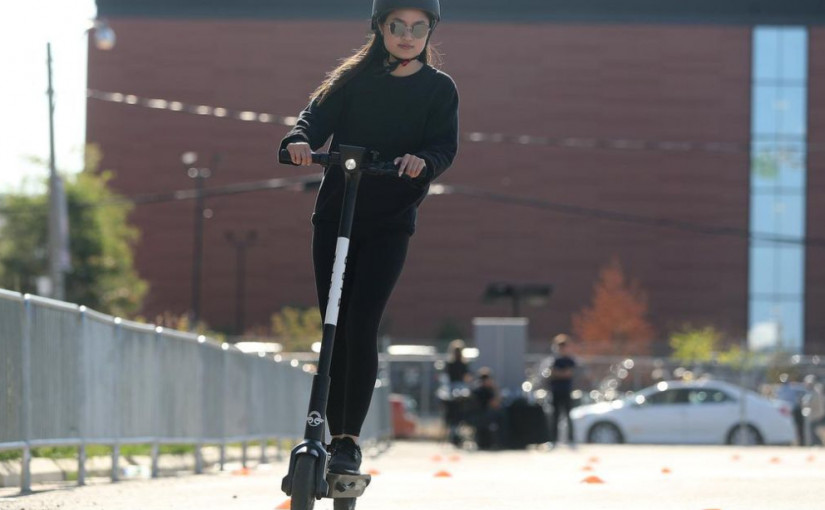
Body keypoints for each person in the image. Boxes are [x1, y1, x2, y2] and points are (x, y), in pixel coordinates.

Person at [279, 0, 458, 475]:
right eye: (397, 25)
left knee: (360, 323)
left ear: (430, 31)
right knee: (333, 326)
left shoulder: (439, 89)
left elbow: (443, 146)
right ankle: (320, 431)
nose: (407, 35)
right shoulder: (351, 80)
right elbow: (312, 120)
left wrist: (423, 161)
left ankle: (347, 442)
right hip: (336, 216)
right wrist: (299, 141)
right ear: (380, 27)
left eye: (418, 27)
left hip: (389, 222)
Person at [547, 334, 576, 448]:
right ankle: (553, 439)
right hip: (555, 391)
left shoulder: (569, 360)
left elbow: (568, 374)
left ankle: (570, 439)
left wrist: (558, 373)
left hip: (566, 390)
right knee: (555, 415)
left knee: (568, 415)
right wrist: (560, 373)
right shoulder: (554, 360)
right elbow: (551, 373)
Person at [442, 339, 472, 445]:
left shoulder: (463, 364)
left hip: (460, 389)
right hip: (452, 389)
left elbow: (467, 378)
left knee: (461, 407)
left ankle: (458, 431)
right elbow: (446, 379)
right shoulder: (450, 364)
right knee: (453, 408)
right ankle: (453, 431)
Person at [472, 367, 504, 450]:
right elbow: (495, 404)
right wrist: (495, 389)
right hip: (484, 415)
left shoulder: (476, 389)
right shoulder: (484, 391)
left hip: (478, 416)